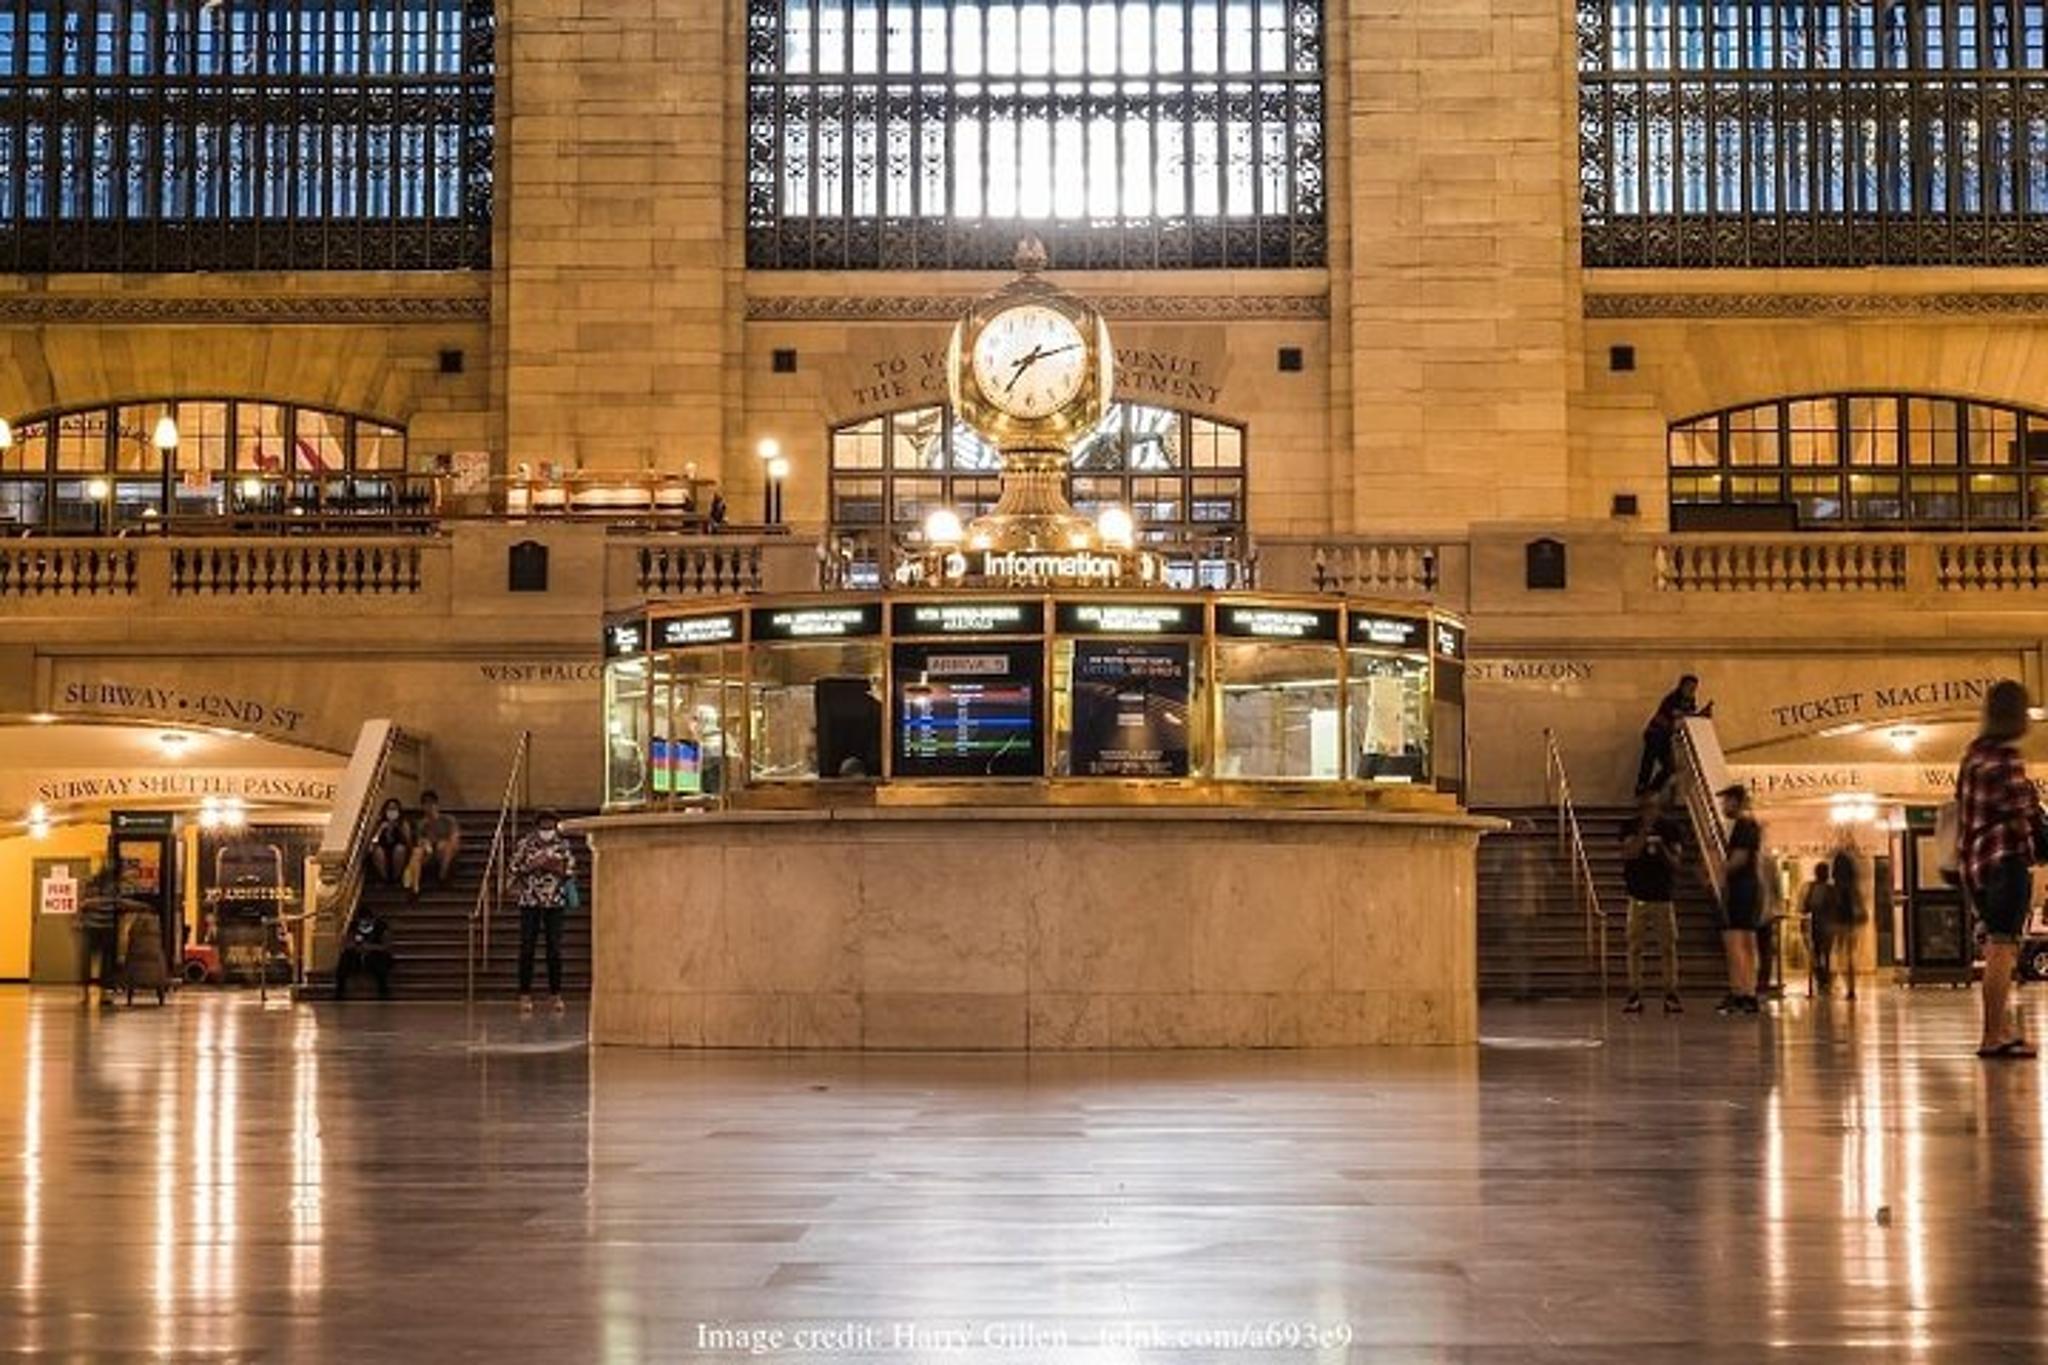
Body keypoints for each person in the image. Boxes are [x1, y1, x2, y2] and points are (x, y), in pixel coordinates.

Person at [1956, 679, 2041, 1059]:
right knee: (2002, 947)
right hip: (2006, 861)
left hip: (1977, 866)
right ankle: (1993, 1035)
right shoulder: (2006, 759)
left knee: (1997, 945)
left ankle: (2000, 1030)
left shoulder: (1972, 756)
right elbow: (2023, 812)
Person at [1619, 794, 1686, 1015]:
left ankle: (1671, 993)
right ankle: (1634, 993)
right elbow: (1628, 854)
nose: (1649, 811)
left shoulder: (1671, 829)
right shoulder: (1630, 827)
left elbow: (1676, 863)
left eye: (1653, 807)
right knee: (1635, 946)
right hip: (1637, 895)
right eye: (1645, 807)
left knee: (1668, 947)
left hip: (1663, 896)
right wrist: (1643, 833)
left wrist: (1662, 847)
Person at [509, 810, 577, 1017]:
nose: (547, 828)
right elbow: (514, 867)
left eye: (550, 824)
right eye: (544, 824)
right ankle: (524, 994)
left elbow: (570, 869)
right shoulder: (526, 844)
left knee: (554, 949)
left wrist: (554, 866)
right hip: (530, 901)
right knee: (527, 948)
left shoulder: (562, 845)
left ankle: (556, 994)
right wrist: (533, 865)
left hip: (554, 901)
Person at [1716, 784, 1764, 1015]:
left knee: (1735, 940)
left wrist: (1718, 870)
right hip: (1749, 888)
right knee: (1746, 940)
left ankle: (1740, 993)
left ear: (1736, 801)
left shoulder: (1743, 826)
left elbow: (1739, 859)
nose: (1723, 806)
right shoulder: (1751, 825)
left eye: (1726, 801)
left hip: (1741, 888)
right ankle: (1748, 992)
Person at [1635, 674, 1709, 796]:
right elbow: (1677, 714)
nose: (1692, 690)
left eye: (1694, 688)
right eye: (1689, 687)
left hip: (1666, 737)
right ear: (1682, 686)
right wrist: (1696, 715)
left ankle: (1652, 790)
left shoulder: (1691, 701)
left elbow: (1689, 718)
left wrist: (1700, 716)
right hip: (1655, 733)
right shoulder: (1672, 698)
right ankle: (1641, 787)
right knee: (1649, 759)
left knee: (1670, 767)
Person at [75, 867, 130, 1009]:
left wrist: (79, 920)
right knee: (104, 963)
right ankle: (102, 994)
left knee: (90, 962)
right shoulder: (109, 888)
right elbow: (83, 904)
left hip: (94, 928)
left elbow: (82, 905)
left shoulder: (92, 885)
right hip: (103, 928)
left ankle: (88, 994)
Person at [1828, 838, 1866, 1000]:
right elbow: (1861, 909)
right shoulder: (1853, 889)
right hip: (1851, 924)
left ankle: (1839, 985)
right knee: (1850, 956)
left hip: (1837, 924)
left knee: (1838, 956)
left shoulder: (1834, 889)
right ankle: (1851, 988)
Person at [334, 905, 395, 1000]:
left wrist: (371, 947)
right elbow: (346, 943)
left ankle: (383, 988)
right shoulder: (353, 926)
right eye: (362, 920)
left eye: (367, 920)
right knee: (345, 958)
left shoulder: (381, 927)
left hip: (375, 953)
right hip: (358, 954)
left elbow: (386, 946)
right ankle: (340, 989)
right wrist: (355, 946)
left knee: (380, 960)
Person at [408, 791, 462, 894]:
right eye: (426, 804)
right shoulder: (421, 824)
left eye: (431, 803)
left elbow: (455, 838)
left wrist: (444, 844)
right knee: (417, 852)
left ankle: (443, 877)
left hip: (445, 850)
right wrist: (425, 844)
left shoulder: (448, 820)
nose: (429, 807)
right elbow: (419, 840)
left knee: (444, 847)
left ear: (436, 805)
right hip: (429, 851)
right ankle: (414, 888)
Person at [1802, 862, 1842, 996]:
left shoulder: (1814, 888)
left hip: (1821, 924)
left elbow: (1806, 906)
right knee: (1822, 952)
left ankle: (1823, 978)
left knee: (1821, 953)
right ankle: (1823, 977)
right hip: (1823, 925)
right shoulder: (1829, 889)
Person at [368, 799, 413, 887]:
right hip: (384, 851)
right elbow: (372, 844)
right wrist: (380, 830)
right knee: (377, 851)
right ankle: (384, 879)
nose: (391, 812)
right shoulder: (380, 824)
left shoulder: (403, 823)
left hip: (400, 852)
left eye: (394, 809)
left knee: (399, 849)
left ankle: (396, 879)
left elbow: (409, 844)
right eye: (389, 809)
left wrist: (400, 830)